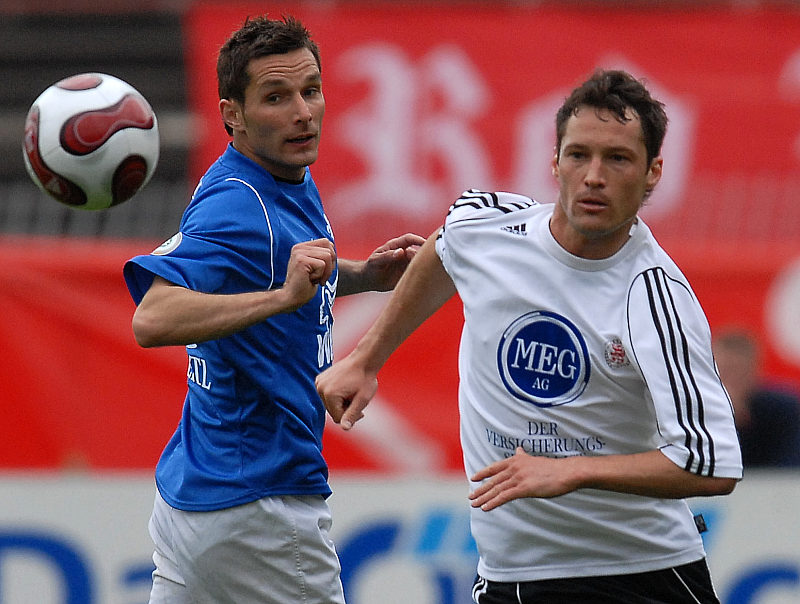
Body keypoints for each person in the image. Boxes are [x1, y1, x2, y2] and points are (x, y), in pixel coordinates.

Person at [316, 69, 743, 603]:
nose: (593, 176)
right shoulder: (487, 227)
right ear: (555, 161)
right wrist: (365, 359)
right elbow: (446, 248)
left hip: (635, 576)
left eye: (618, 159)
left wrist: (571, 471)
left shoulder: (655, 297)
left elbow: (710, 463)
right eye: (579, 155)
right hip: (508, 578)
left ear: (653, 172)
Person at [123, 15, 423, 604]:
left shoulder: (277, 175)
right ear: (231, 114)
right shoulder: (238, 204)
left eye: (311, 90)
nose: (303, 113)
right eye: (276, 97)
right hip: (260, 507)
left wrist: (363, 275)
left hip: (199, 493)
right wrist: (281, 298)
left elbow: (278, 270)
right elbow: (151, 318)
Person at [713, 328, 800, 468]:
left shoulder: (783, 410)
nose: (733, 381)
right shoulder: (693, 411)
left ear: (755, 370)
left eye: (739, 372)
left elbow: (790, 468)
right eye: (726, 372)